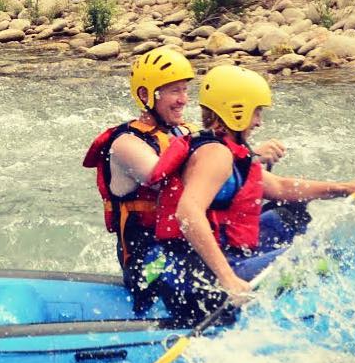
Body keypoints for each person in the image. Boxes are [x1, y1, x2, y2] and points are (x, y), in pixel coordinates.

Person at [144, 64, 355, 325]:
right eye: (256, 111)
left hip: (204, 264)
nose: (258, 121)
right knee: (319, 256)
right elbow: (187, 213)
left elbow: (280, 187)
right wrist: (228, 279)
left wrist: (344, 188)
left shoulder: (224, 148)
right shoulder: (216, 155)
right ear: (237, 110)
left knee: (288, 215)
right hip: (195, 281)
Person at [84, 47, 288, 313]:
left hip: (189, 248)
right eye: (174, 91)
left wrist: (247, 157)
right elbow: (169, 175)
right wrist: (250, 155)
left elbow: (241, 176)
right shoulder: (126, 144)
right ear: (146, 95)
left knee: (284, 217)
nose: (183, 100)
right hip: (150, 265)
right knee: (287, 257)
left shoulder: (187, 133)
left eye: (185, 90)